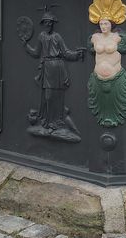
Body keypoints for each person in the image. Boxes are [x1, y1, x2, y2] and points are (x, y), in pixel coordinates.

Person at [21, 8, 85, 142]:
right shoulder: (41, 36)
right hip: (47, 68)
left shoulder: (57, 37)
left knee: (58, 96)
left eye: (50, 22)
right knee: (48, 97)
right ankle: (48, 122)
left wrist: (76, 55)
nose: (48, 25)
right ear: (43, 24)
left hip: (58, 68)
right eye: (46, 22)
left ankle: (56, 123)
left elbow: (66, 52)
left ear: (53, 23)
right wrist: (26, 46)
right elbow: (36, 52)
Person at [87, 0, 126, 128]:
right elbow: (89, 46)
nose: (103, 26)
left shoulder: (117, 37)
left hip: (116, 79)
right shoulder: (95, 37)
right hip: (98, 79)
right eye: (101, 23)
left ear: (111, 24)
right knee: (101, 104)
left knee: (117, 104)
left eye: (106, 23)